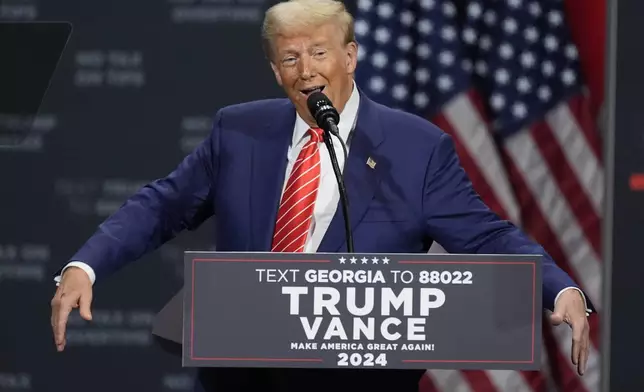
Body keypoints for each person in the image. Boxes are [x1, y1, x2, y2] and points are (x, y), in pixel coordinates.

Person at [50, 0, 592, 391]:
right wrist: (84, 265)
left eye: (318, 53)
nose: (306, 71)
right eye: (290, 58)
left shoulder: (417, 148)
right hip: (243, 378)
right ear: (274, 69)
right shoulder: (238, 133)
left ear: (351, 57)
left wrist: (558, 288)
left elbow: (486, 234)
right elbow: (162, 205)